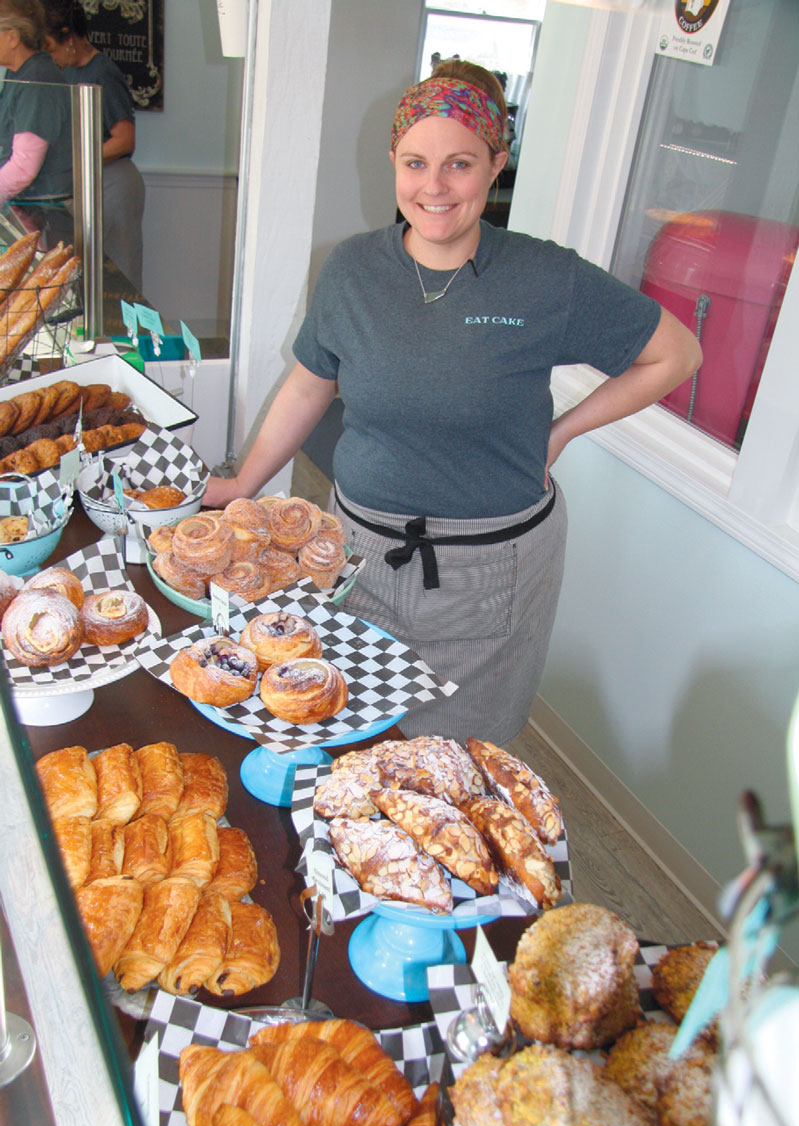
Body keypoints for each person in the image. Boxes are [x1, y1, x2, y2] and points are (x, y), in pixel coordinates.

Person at [203, 60, 701, 745]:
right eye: (414, 163)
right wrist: (241, 483)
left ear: (496, 164)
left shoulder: (544, 277)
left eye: (458, 164)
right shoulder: (351, 270)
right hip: (355, 552)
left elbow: (675, 355)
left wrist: (560, 434)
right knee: (341, 727)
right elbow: (309, 381)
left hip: (488, 570)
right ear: (392, 162)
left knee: (454, 759)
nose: (432, 187)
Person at [43, 0, 145, 289]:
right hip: (85, 185)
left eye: (51, 48)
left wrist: (77, 158)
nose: (50, 56)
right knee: (82, 279)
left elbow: (125, 139)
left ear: (69, 37)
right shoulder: (63, 72)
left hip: (112, 185)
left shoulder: (103, 73)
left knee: (118, 281)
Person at [0, 0, 72, 213]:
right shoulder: (19, 74)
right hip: (29, 207)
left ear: (13, 37)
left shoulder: (38, 79)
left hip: (45, 212)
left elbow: (24, 167)